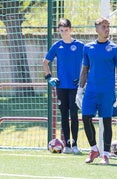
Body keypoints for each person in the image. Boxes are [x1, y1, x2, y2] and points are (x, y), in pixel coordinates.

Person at [75, 17, 117, 165]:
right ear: (96, 29)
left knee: (107, 122)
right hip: (90, 91)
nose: (107, 29)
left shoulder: (116, 49)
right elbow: (84, 70)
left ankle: (105, 154)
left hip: (107, 92)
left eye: (108, 26)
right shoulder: (88, 47)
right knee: (85, 118)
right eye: (103, 27)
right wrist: (79, 91)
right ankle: (93, 149)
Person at [42, 18, 84, 155]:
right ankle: (66, 145)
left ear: (71, 30)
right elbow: (45, 62)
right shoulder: (57, 46)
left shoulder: (80, 46)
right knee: (64, 115)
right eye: (61, 30)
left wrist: (85, 79)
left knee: (74, 114)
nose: (64, 33)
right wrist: (49, 78)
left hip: (75, 87)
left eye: (66, 30)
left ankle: (75, 144)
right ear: (58, 31)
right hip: (61, 86)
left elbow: (88, 63)